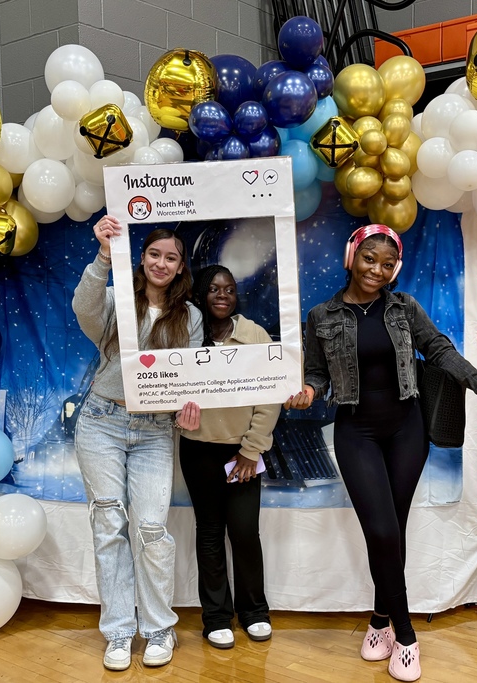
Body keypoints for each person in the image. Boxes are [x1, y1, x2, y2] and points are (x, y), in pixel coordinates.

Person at [284, 224, 477, 682]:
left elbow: (440, 351)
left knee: (395, 529)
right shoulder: (322, 315)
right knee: (381, 531)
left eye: (387, 264)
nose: (377, 270)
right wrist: (308, 389)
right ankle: (405, 636)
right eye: (369, 259)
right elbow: (318, 373)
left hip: (407, 429)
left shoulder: (404, 309)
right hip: (355, 432)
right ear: (352, 257)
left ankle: (381, 619)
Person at [72, 215, 203, 671]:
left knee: (151, 530)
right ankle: (119, 632)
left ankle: (158, 628)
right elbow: (83, 308)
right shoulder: (115, 302)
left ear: (181, 266)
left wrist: (190, 408)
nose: (161, 263)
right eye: (154, 254)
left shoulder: (190, 317)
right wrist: (104, 254)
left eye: (171, 257)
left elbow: (191, 380)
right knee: (109, 526)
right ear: (142, 257)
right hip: (102, 422)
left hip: (154, 432)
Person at [178, 265, 281, 649]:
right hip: (198, 449)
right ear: (201, 294)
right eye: (214, 289)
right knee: (209, 533)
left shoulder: (254, 335)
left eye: (230, 290)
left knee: (243, 531)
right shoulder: (186, 336)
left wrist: (250, 451)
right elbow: (168, 389)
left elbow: (269, 397)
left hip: (243, 453)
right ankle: (216, 617)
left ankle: (254, 611)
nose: (223, 295)